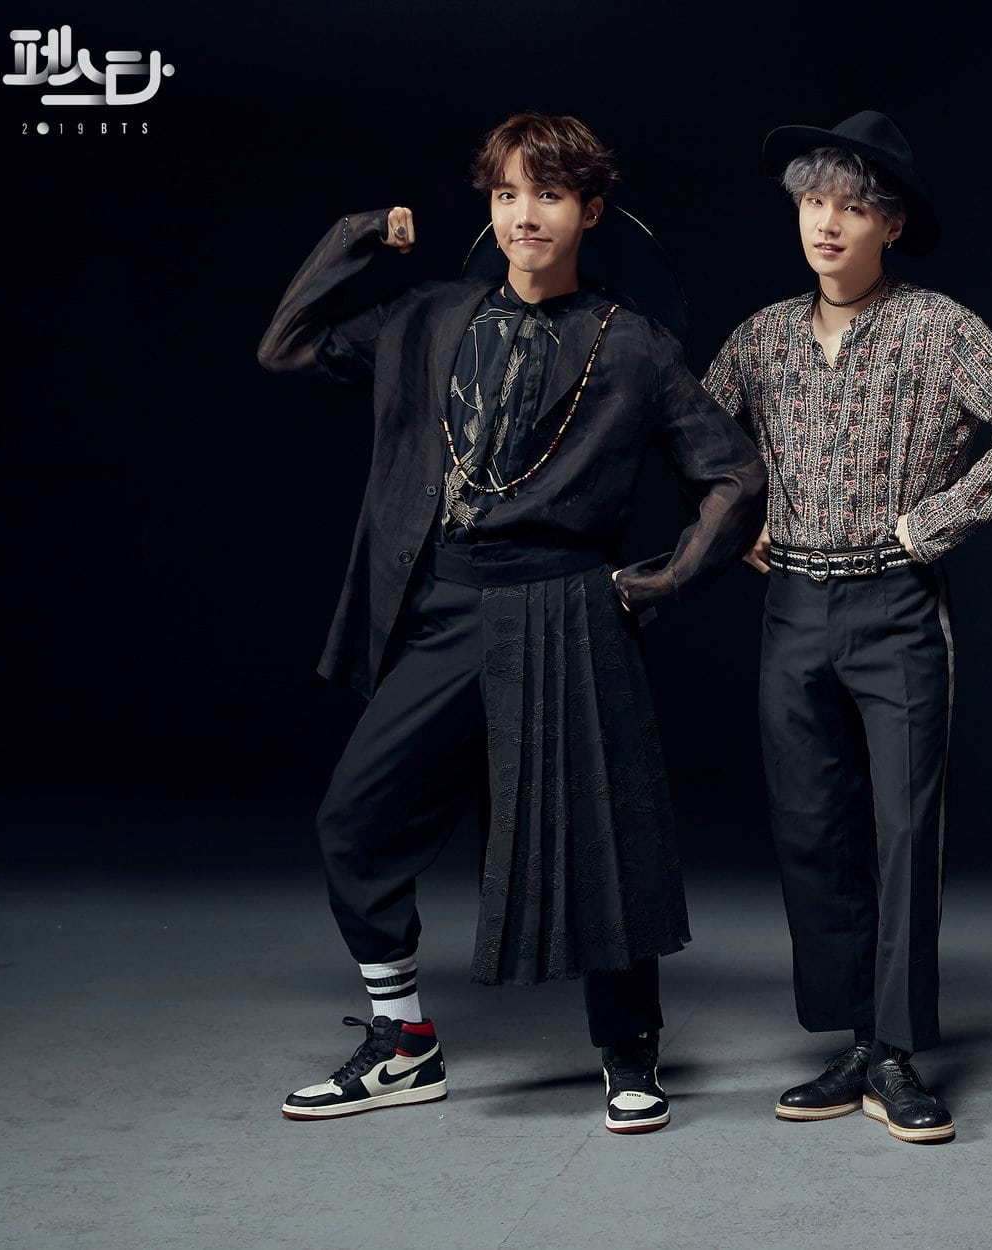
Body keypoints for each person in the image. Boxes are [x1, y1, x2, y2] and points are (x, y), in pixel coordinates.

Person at [257, 112, 765, 1133]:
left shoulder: (633, 344)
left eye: (547, 195)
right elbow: (288, 346)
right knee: (354, 820)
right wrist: (359, 235)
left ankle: (630, 1054)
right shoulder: (426, 314)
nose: (523, 215)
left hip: (567, 609)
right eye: (505, 194)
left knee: (598, 842)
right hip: (443, 607)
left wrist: (655, 585)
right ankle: (403, 1039)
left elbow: (735, 475)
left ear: (590, 211)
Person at [702, 110, 992, 1145]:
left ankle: (895, 1050)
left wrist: (938, 520)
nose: (827, 223)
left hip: (894, 605)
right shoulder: (761, 336)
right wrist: (735, 521)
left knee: (902, 830)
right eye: (814, 202)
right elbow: (694, 433)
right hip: (793, 608)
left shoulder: (937, 327)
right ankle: (854, 1039)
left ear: (889, 224)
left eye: (851, 207)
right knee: (811, 829)